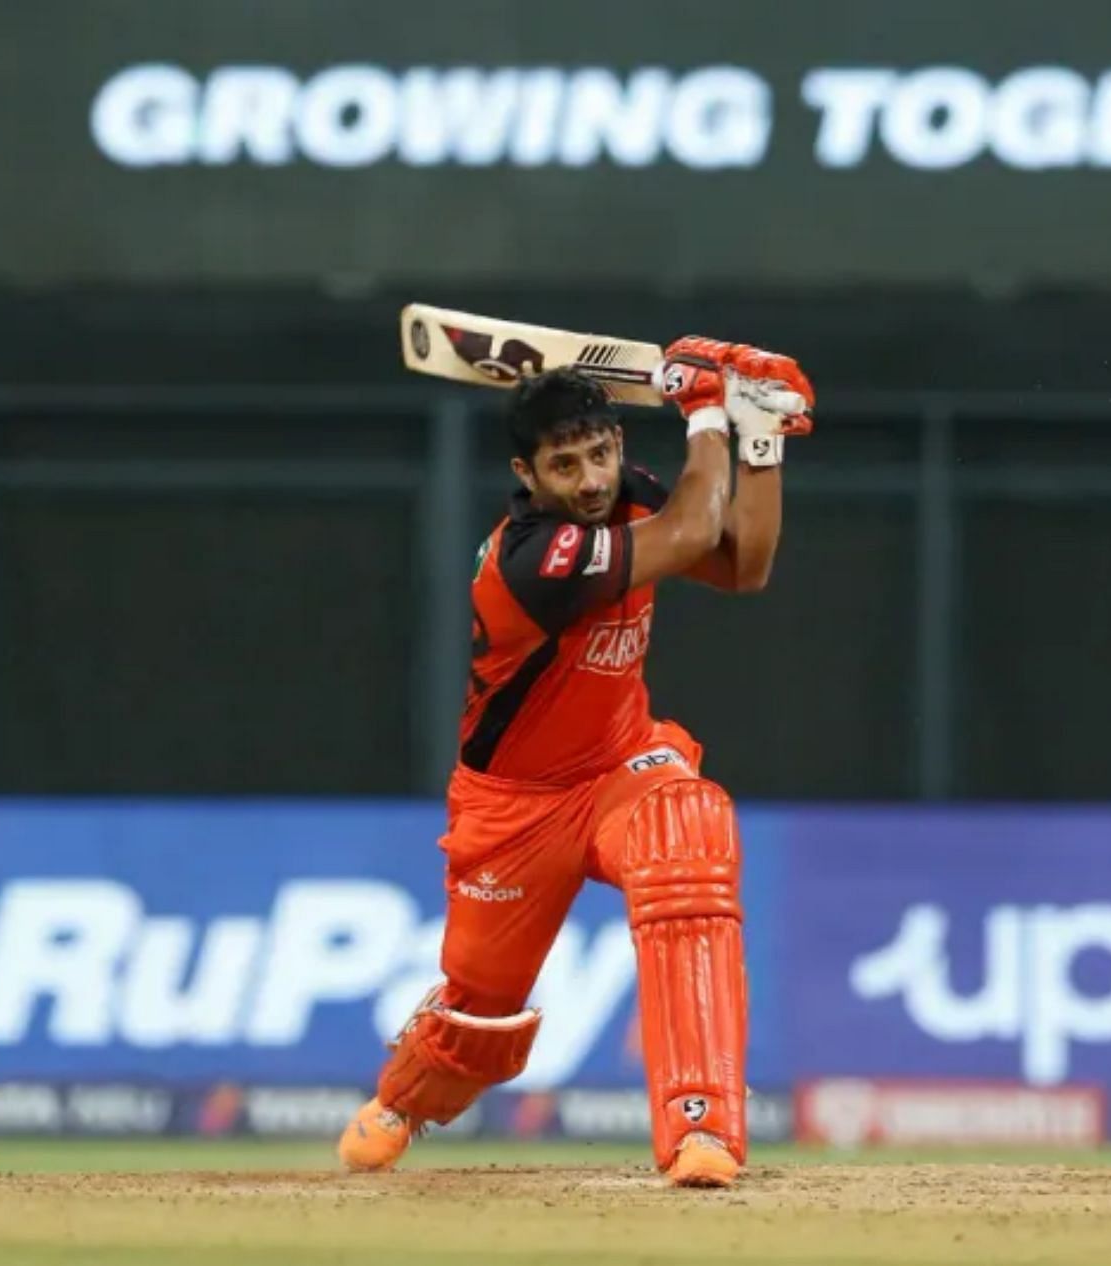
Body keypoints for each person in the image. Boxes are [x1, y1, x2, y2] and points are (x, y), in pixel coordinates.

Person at [337, 339, 813, 1189]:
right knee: (481, 1005)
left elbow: (744, 564)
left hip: (622, 768)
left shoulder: (631, 498)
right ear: (529, 473)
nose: (591, 479)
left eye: (600, 453)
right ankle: (402, 1100)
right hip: (514, 807)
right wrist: (707, 413)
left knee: (689, 829)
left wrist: (764, 440)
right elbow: (696, 528)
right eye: (566, 465)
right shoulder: (533, 559)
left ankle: (700, 1127)